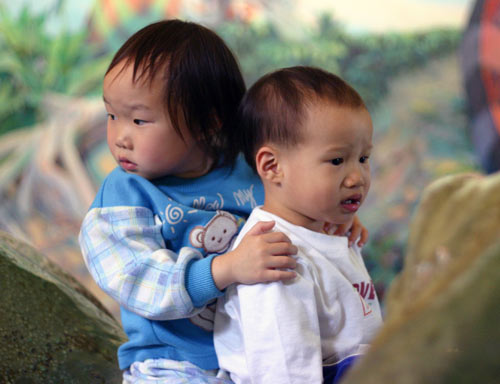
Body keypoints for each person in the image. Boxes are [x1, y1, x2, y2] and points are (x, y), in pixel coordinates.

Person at [79, 20, 368, 383]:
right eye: (111, 115)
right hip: (172, 364)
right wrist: (224, 269)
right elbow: (136, 281)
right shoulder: (122, 198)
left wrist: (329, 218)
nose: (120, 136)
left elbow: (292, 210)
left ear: (207, 123)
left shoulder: (245, 172)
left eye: (138, 120)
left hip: (251, 354)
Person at [214, 66, 383, 384]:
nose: (357, 177)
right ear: (273, 166)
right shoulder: (273, 254)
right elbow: (284, 367)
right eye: (337, 160)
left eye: (363, 158)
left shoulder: (323, 228)